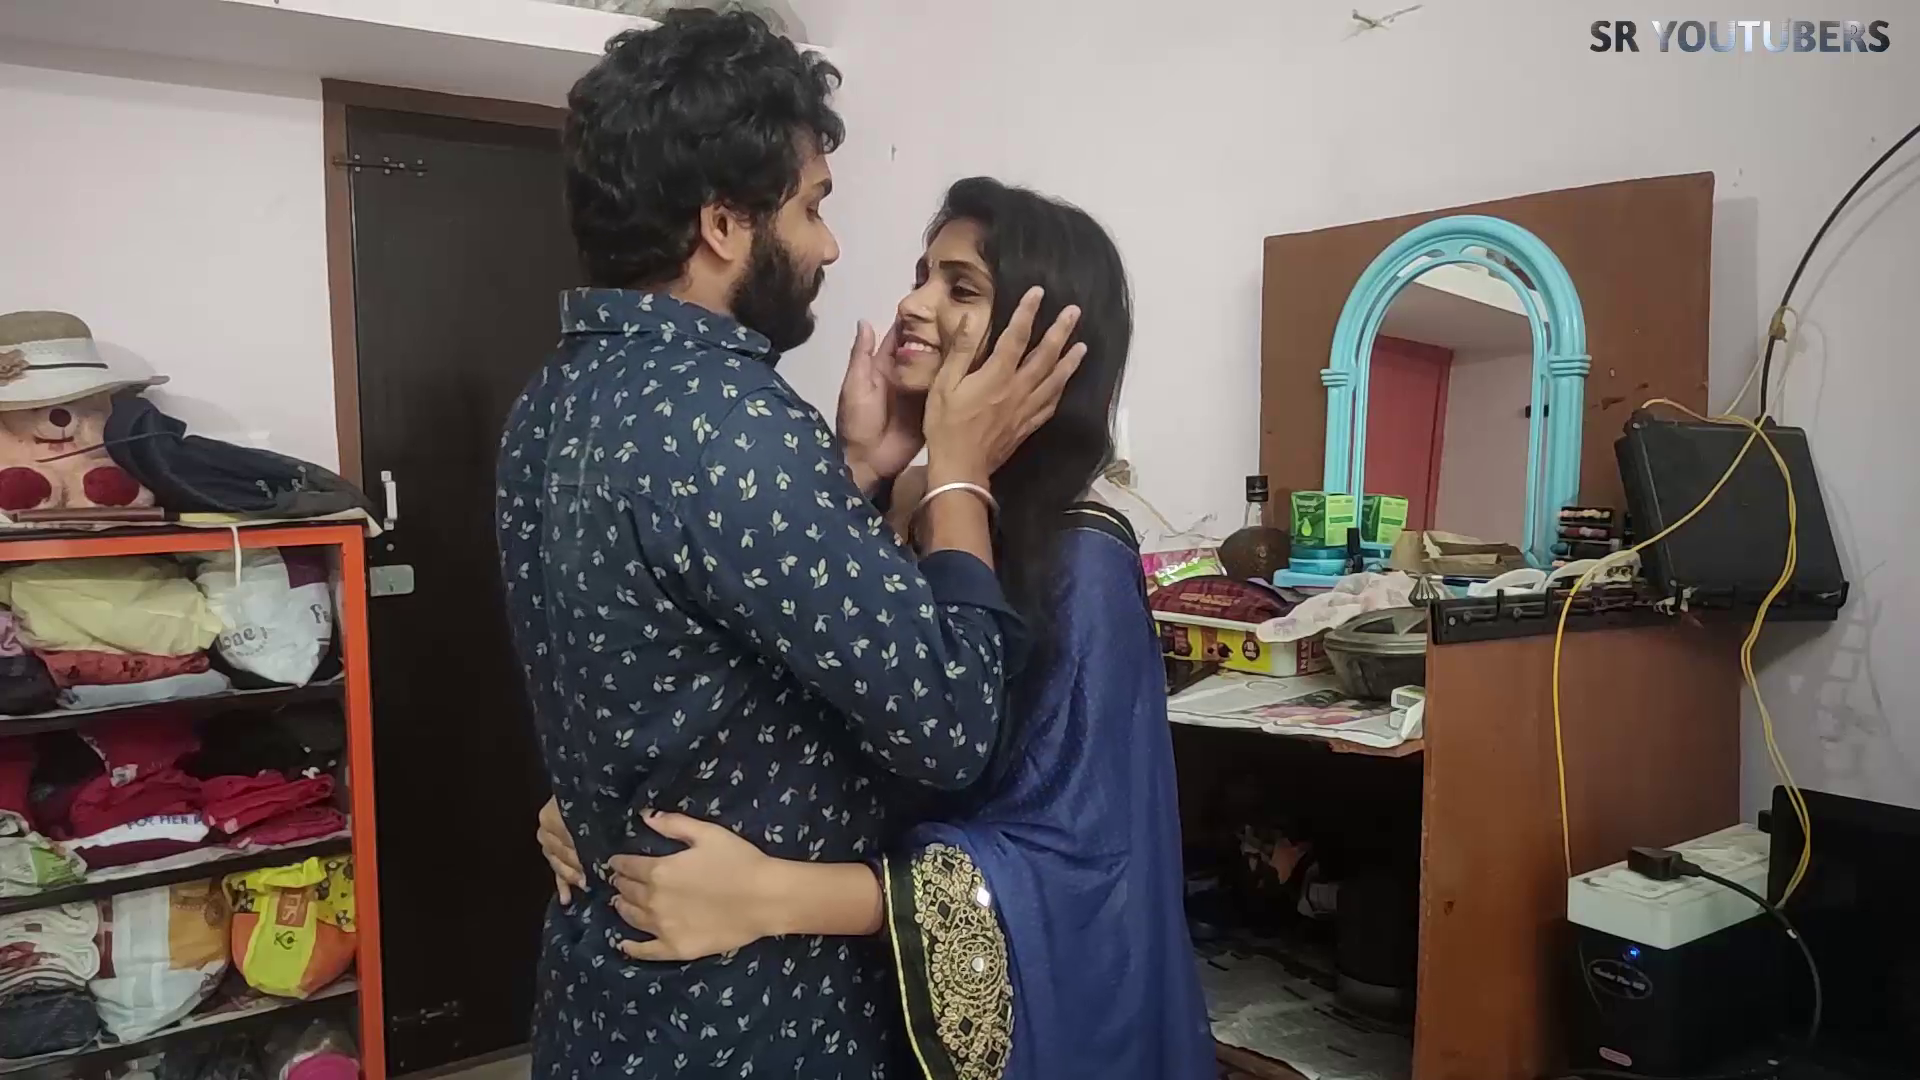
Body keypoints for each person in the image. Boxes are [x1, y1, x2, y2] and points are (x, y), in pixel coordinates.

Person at [501, 12, 1083, 1079]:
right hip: (743, 1017)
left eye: (958, 286)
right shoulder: (728, 421)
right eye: (813, 206)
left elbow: (702, 634)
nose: (831, 247)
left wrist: (858, 473)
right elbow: (953, 728)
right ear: (725, 224)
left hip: (606, 1000)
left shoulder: (552, 399)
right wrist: (956, 473)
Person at [539, 178, 1218, 1080]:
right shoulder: (898, 498)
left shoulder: (1081, 562)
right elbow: (777, 692)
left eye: (960, 287)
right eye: (921, 275)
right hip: (832, 1000)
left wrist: (775, 895)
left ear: (1045, 345)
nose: (914, 303)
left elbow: (1075, 866)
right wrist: (604, 789)